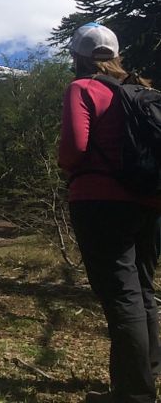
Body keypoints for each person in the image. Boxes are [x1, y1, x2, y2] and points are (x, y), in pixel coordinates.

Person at [59, 22, 160, 403]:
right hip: (149, 200)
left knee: (120, 295)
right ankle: (146, 374)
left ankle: (133, 393)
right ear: (115, 55)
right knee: (142, 288)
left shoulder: (82, 88)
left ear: (79, 57)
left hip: (100, 201)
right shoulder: (143, 90)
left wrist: (63, 163)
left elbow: (74, 148)